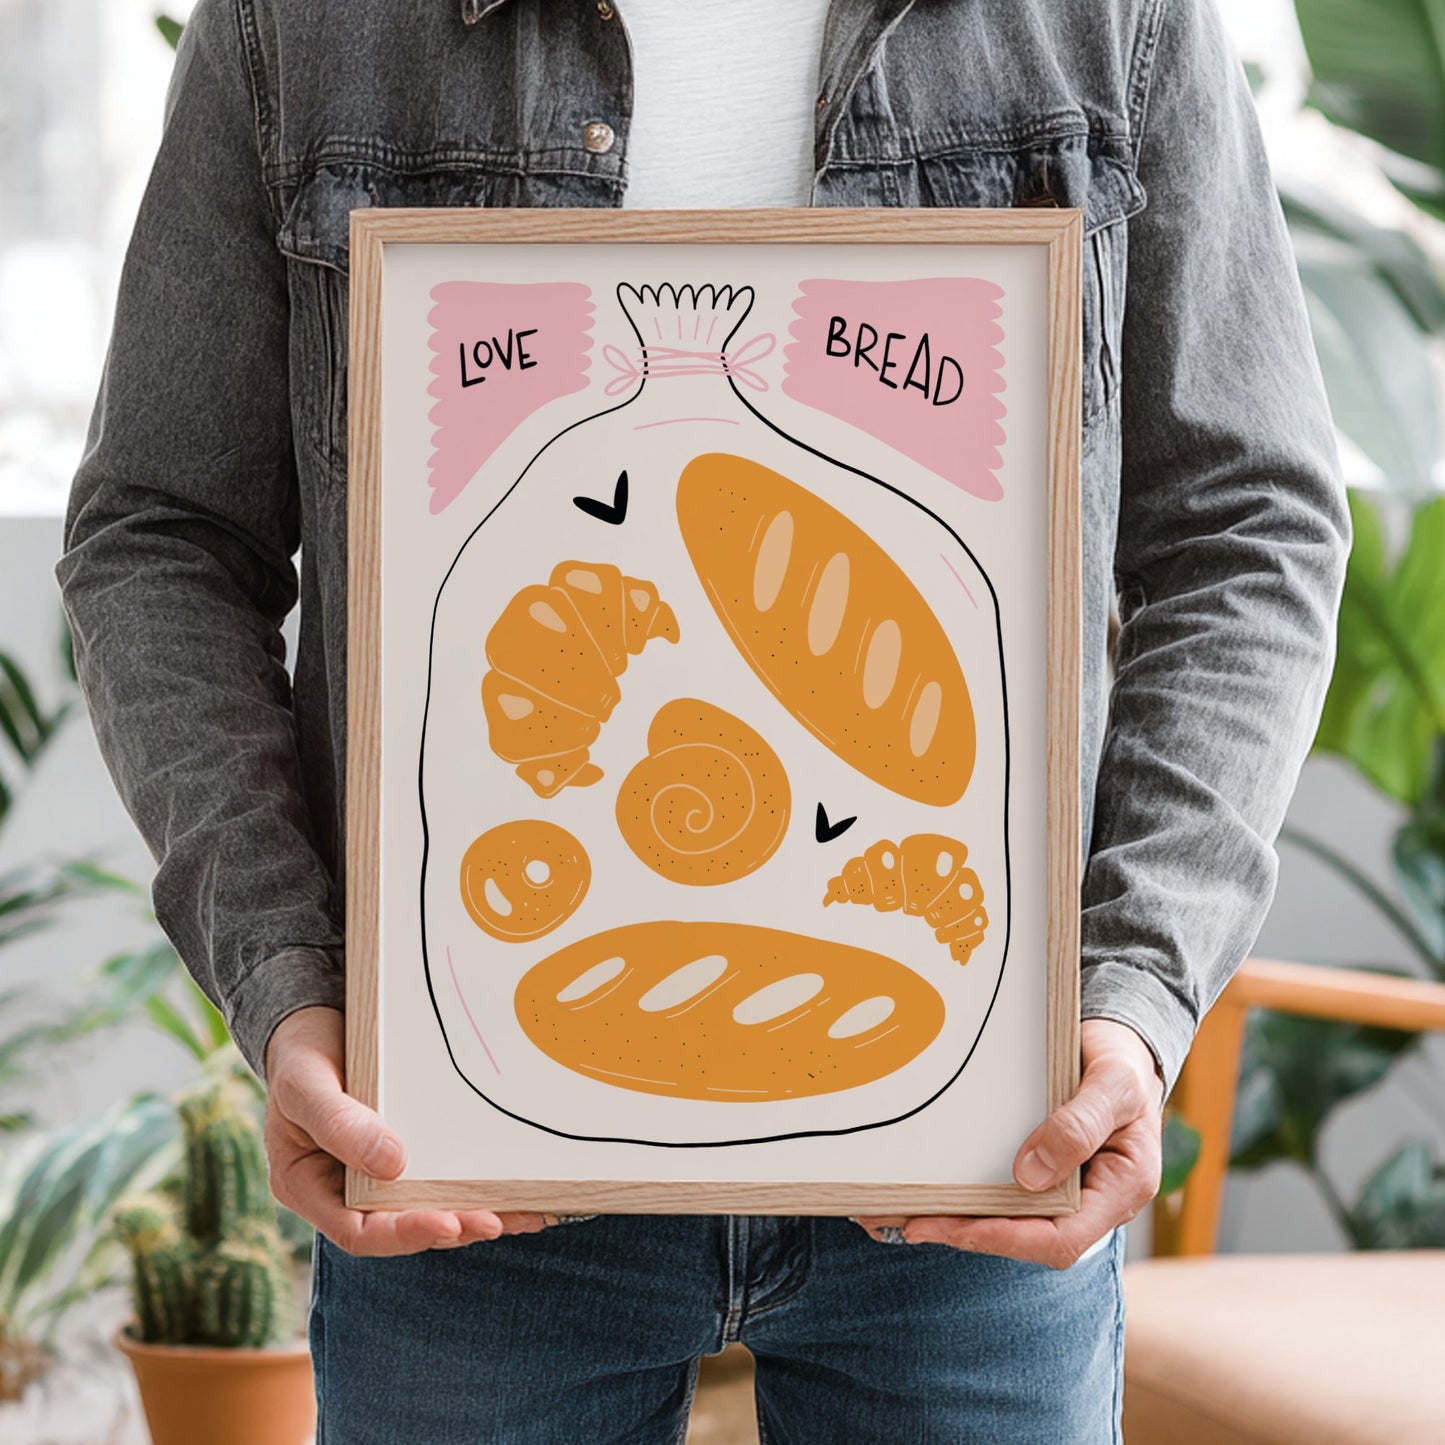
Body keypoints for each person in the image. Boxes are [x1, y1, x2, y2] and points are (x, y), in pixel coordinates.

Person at [57, 0, 1348, 1439]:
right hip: (468, 1169)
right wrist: (288, 975)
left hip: (979, 1169)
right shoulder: (309, 23)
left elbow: (1248, 529)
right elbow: (158, 536)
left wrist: (1133, 990)